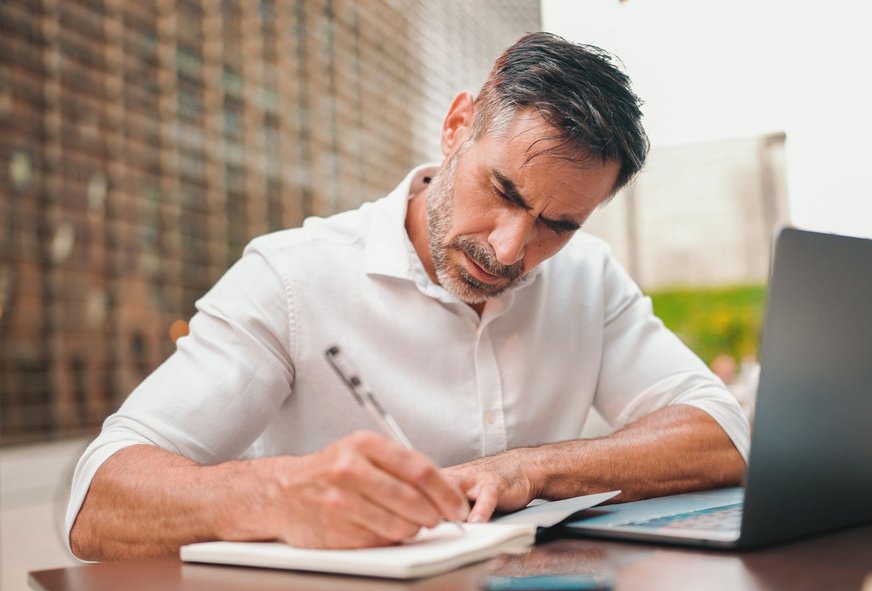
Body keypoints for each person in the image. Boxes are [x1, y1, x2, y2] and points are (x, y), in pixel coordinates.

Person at [67, 32, 749, 560]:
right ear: (457, 126)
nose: (510, 250)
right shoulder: (290, 277)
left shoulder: (589, 278)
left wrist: (528, 469)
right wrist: (278, 494)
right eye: (505, 192)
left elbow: (721, 433)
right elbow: (98, 499)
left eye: (556, 224)